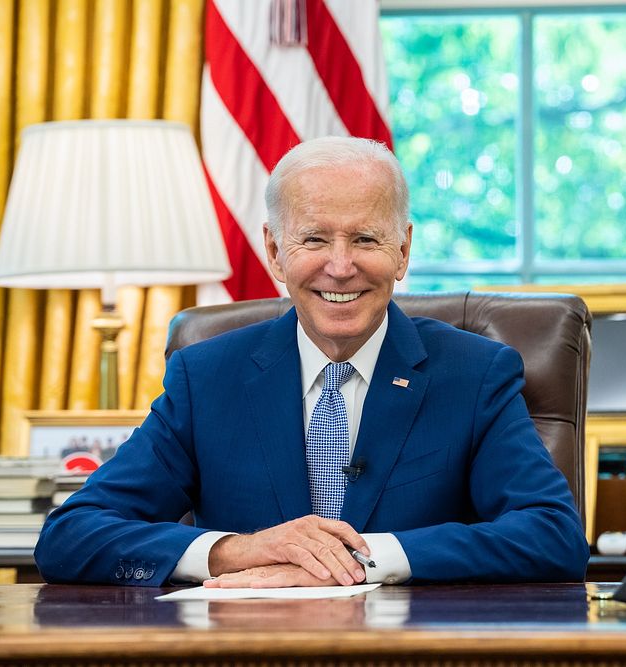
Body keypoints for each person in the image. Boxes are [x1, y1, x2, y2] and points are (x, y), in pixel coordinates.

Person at [34, 136, 590, 588]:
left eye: (367, 238)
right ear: (275, 251)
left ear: (403, 250)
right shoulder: (205, 379)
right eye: (315, 239)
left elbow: (552, 537)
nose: (341, 266)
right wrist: (238, 552)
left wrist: (360, 558)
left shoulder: (475, 373)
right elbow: (71, 536)